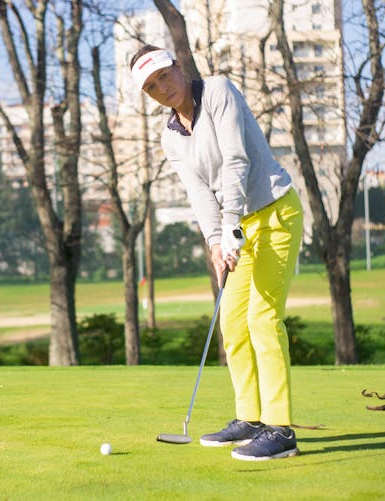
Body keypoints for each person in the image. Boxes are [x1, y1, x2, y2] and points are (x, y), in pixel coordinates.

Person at [130, 45, 304, 461]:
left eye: (164, 76)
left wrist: (230, 224)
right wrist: (214, 240)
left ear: (178, 66)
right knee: (232, 322)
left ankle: (281, 429)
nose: (162, 88)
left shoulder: (220, 92)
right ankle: (250, 418)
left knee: (263, 319)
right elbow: (197, 192)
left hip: (275, 212)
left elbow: (236, 160)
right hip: (236, 227)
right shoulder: (170, 136)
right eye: (151, 86)